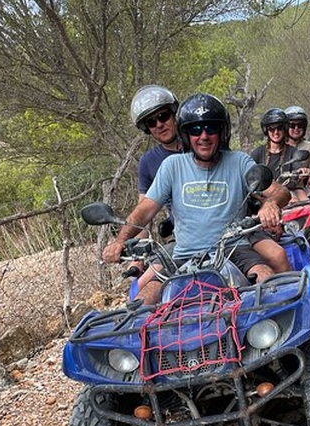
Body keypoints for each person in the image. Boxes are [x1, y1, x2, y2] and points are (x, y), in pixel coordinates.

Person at [103, 93, 291, 304]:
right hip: (183, 254)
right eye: (195, 130)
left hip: (233, 248)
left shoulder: (239, 162)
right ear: (186, 135)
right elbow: (145, 209)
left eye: (211, 128)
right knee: (140, 302)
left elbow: (281, 192)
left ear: (222, 132)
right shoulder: (171, 166)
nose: (203, 136)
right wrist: (120, 241)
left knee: (268, 279)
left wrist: (270, 203)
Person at [127, 85, 182, 286]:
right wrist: (137, 255)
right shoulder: (148, 162)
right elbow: (143, 212)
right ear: (146, 128)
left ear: (175, 114)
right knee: (141, 287)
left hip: (223, 232)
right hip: (182, 240)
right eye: (151, 122)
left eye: (164, 116)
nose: (159, 124)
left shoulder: (200, 142)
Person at [250, 108, 310, 202]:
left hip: (287, 195)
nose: (276, 132)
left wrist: (300, 173)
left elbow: (297, 175)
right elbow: (250, 180)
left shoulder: (293, 152)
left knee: (304, 202)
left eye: (279, 128)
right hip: (262, 196)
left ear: (285, 129)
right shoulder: (257, 153)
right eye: (272, 129)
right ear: (266, 130)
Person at [284, 105, 310, 190]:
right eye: (292, 125)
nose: (296, 128)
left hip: (300, 188)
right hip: (280, 188)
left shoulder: (309, 146)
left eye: (300, 125)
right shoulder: (280, 145)